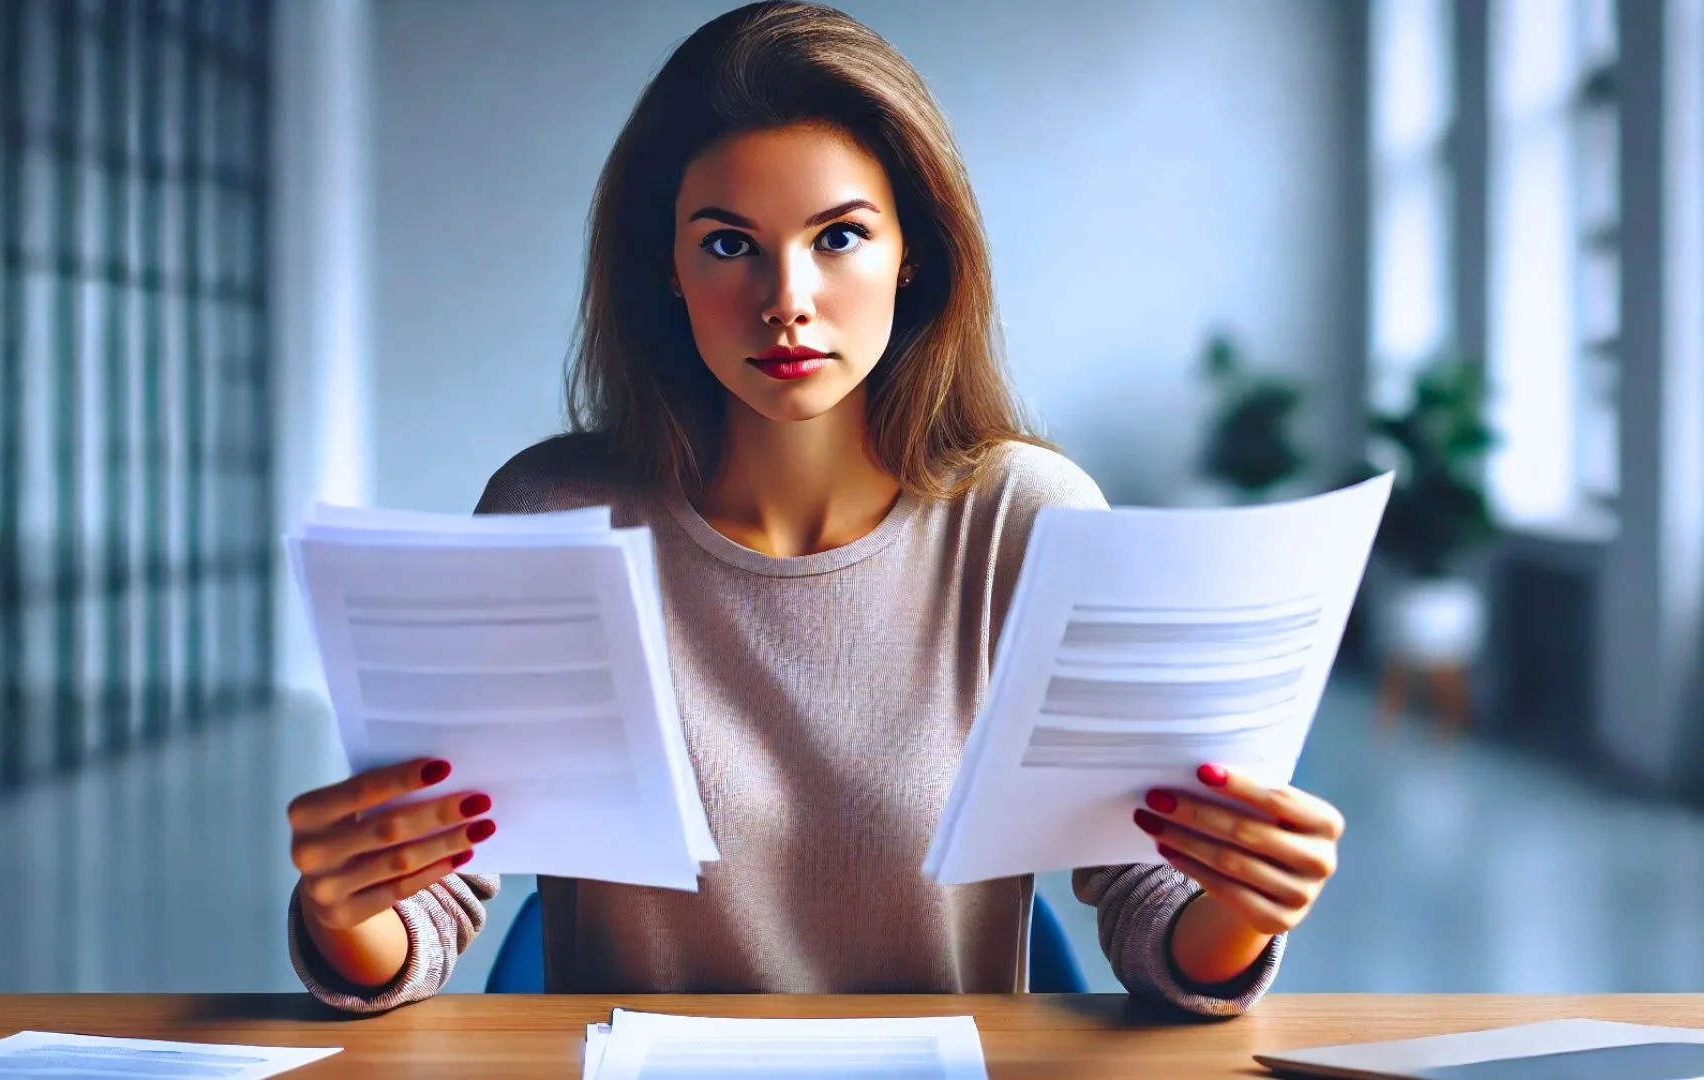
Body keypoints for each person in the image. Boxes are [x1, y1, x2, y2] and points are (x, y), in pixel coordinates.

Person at [282, 0, 1345, 1015]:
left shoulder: (1027, 519)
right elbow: (428, 904)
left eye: (838, 237)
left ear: (911, 252)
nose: (785, 297)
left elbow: (1152, 908)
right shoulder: (552, 510)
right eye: (728, 242)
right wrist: (349, 904)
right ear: (668, 266)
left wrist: (1243, 906)